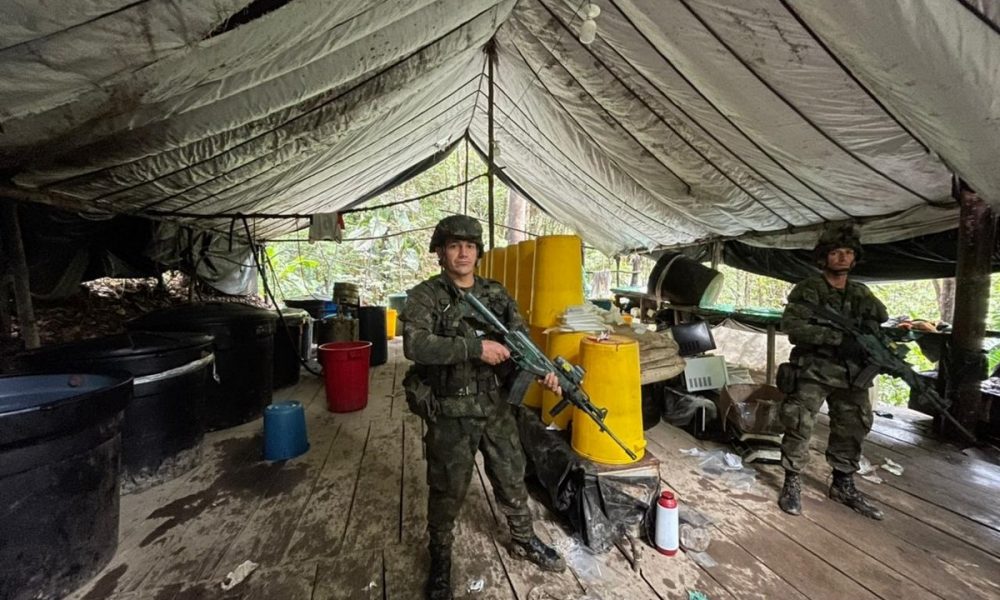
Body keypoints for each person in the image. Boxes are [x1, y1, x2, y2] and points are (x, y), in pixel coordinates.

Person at [401, 215, 566, 600]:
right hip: (450, 410)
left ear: (478, 253)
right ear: (440, 251)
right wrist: (475, 348)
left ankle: (523, 539)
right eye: (455, 245)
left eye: (470, 246)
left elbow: (521, 337)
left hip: (495, 405)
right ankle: (440, 559)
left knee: (512, 474)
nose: (463, 253)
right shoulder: (426, 296)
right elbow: (416, 345)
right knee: (446, 489)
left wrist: (544, 371)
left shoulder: (495, 293)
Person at [777, 224, 887, 520]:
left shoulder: (861, 293)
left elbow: (878, 323)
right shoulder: (809, 290)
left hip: (852, 375)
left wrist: (870, 345)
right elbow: (793, 326)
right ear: (823, 258)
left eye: (848, 253)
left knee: (853, 426)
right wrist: (838, 339)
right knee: (799, 424)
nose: (842, 258)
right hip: (814, 370)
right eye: (835, 253)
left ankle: (843, 483)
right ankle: (792, 481)